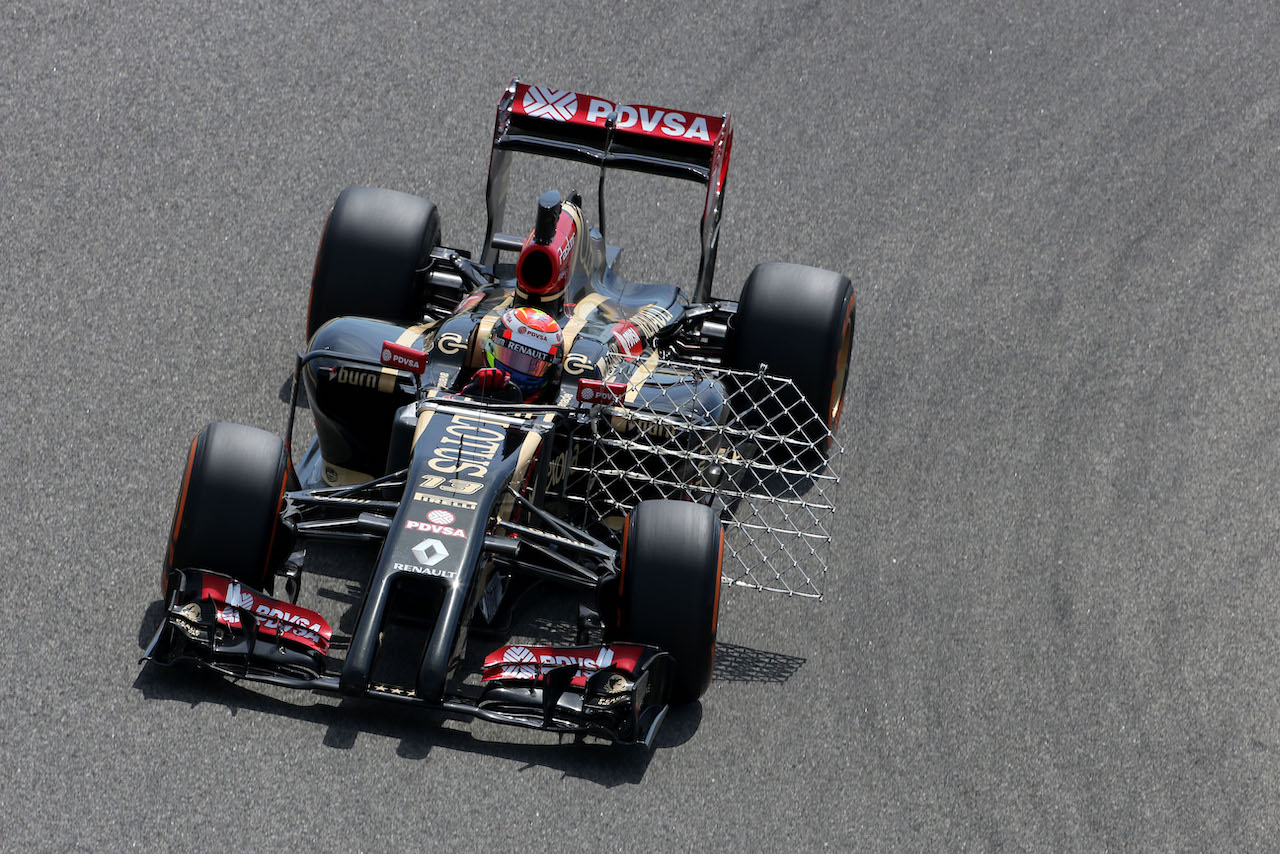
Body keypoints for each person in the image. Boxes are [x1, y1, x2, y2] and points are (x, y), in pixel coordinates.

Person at [462, 307, 564, 403]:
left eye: (533, 364)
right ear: (491, 346)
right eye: (513, 358)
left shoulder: (555, 411)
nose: (520, 368)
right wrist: (467, 393)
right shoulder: (470, 387)